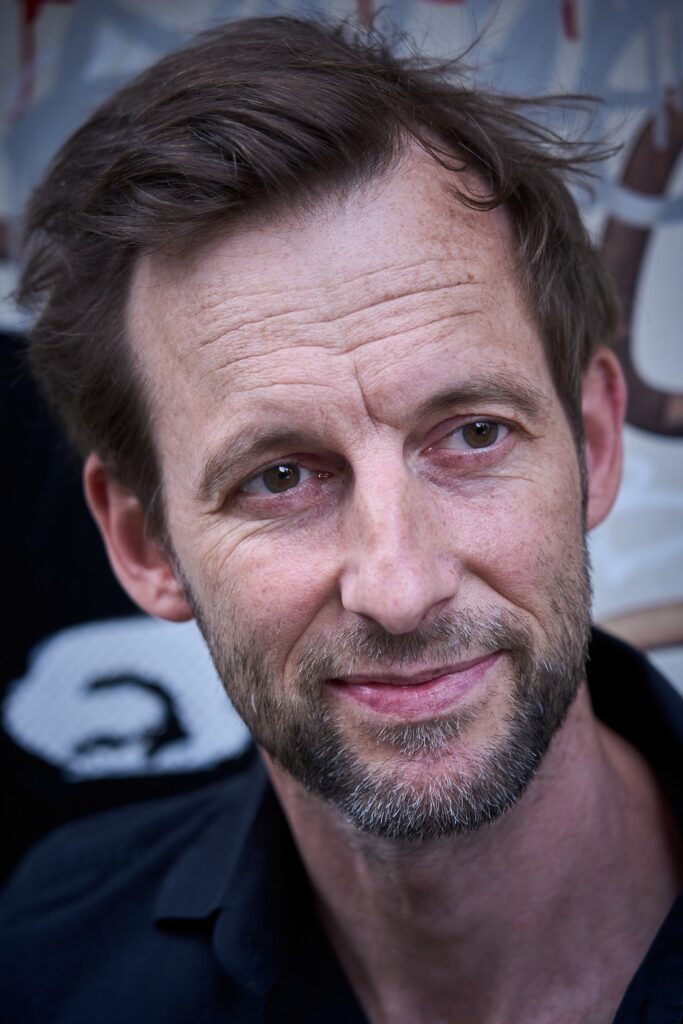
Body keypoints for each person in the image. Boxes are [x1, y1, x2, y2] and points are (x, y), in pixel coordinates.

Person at [1, 15, 682, 1024]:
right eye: (279, 476)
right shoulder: (49, 957)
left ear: (590, 443)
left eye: (472, 434)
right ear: (145, 546)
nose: (399, 588)